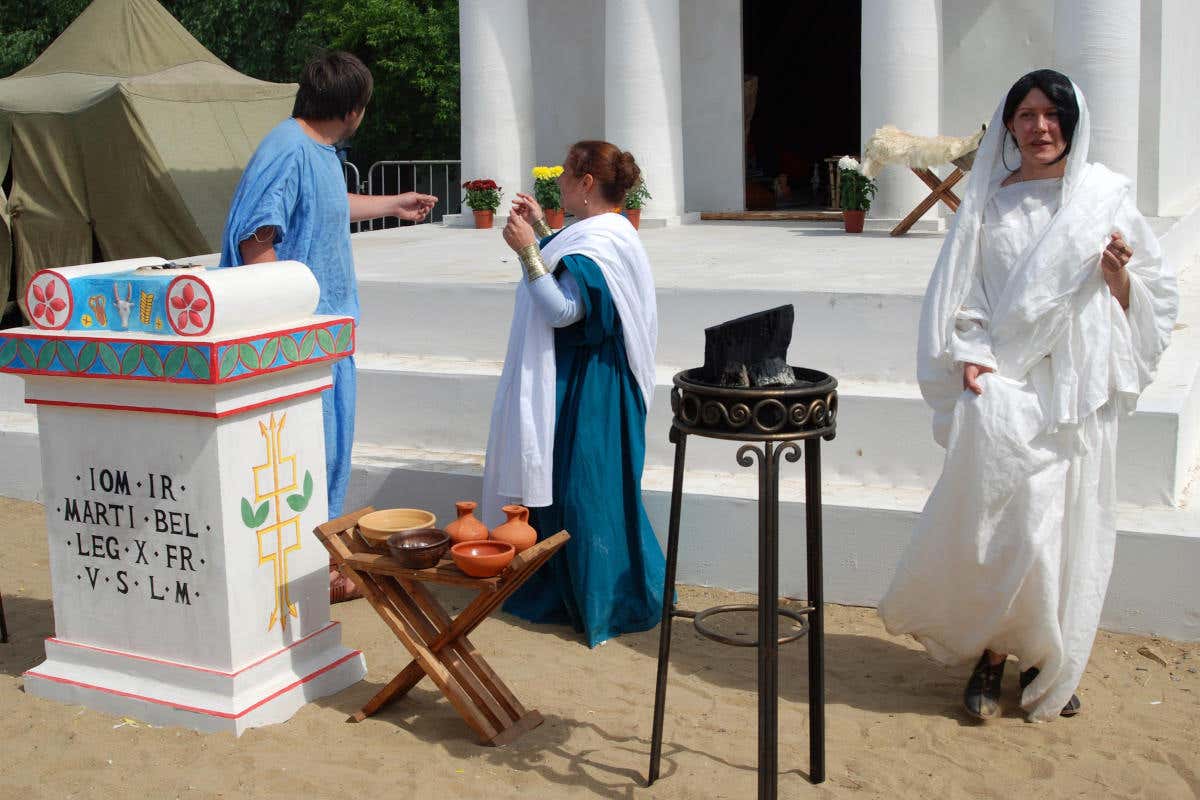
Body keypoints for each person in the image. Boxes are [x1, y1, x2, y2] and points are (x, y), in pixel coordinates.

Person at [879, 70, 1178, 722]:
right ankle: (990, 656)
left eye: (1052, 114)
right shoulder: (988, 203)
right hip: (1006, 394)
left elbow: (1161, 298)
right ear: (1009, 124)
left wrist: (1120, 280)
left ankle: (1046, 659)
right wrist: (973, 358)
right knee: (1006, 534)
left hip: (1075, 396)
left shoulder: (1106, 200)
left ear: (1072, 121)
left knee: (1058, 536)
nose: (1040, 127)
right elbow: (965, 300)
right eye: (1026, 114)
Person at [220, 51, 436, 602]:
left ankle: (324, 570)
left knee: (327, 457)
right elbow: (255, 240)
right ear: (353, 109)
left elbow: (325, 206)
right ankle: (308, 578)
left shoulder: (315, 151)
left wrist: (393, 204)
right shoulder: (288, 149)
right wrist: (288, 329)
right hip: (299, 345)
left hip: (324, 341)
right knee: (301, 463)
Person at [482, 140, 665, 647]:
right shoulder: (610, 233)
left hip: (595, 387)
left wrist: (525, 249)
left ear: (586, 183)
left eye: (566, 173)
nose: (558, 179)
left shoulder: (601, 241)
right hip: (595, 378)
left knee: (586, 491)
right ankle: (598, 592)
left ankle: (598, 600)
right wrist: (542, 230)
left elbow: (564, 309)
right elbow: (572, 268)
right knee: (590, 487)